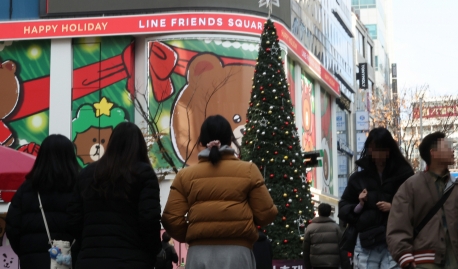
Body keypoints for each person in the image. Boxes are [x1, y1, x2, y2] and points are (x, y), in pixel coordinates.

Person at [162, 115, 278, 269]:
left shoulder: (185, 176)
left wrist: (194, 234)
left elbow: (171, 219)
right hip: (238, 253)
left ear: (202, 141)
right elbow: (266, 214)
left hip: (199, 254)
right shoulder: (248, 171)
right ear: (230, 139)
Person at [67, 122, 162, 269]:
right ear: (139, 146)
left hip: (90, 260)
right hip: (132, 260)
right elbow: (149, 219)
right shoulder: (143, 174)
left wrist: (87, 243)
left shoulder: (87, 174)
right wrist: (154, 250)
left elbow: (74, 219)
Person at [386, 132, 458, 269]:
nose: (452, 150)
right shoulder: (411, 187)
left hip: (456, 262)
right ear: (433, 153)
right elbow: (397, 226)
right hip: (423, 263)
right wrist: (405, 258)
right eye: (447, 146)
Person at [338, 127, 414, 269]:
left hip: (395, 241)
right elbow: (343, 209)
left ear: (389, 150)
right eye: (372, 149)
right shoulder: (358, 178)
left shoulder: (405, 176)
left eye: (380, 149)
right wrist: (359, 204)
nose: (375, 154)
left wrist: (394, 208)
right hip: (367, 241)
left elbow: (416, 207)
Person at [6, 135, 79, 269]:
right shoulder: (81, 188)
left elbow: (12, 228)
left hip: (33, 262)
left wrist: (26, 252)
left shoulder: (26, 190)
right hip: (72, 262)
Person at [303, 203, 342, 269]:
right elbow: (342, 247)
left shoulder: (310, 227)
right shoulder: (336, 227)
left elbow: (306, 249)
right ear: (330, 213)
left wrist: (307, 265)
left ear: (318, 212)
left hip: (316, 264)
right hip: (333, 264)